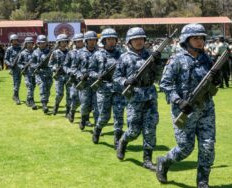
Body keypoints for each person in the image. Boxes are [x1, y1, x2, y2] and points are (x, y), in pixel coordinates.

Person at [157, 24, 220, 188]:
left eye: (202, 38)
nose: (200, 41)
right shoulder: (176, 59)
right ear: (186, 40)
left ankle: (202, 181)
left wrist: (217, 78)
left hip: (206, 109)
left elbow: (211, 84)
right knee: (185, 148)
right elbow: (164, 84)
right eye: (195, 38)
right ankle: (164, 161)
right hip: (185, 110)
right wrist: (178, 101)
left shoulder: (206, 58)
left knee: (208, 146)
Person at [115, 27, 161, 171]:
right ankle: (123, 141)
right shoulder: (124, 57)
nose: (139, 41)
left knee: (150, 129)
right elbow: (116, 77)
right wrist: (126, 82)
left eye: (141, 39)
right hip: (134, 96)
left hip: (150, 96)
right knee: (134, 131)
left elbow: (158, 75)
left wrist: (158, 62)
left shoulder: (150, 55)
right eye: (136, 39)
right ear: (130, 42)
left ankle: (147, 159)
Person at [88, 28, 124, 148]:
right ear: (104, 41)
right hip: (103, 89)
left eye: (113, 39)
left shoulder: (122, 54)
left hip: (118, 89)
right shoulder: (97, 54)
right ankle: (97, 129)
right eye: (109, 39)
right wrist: (97, 75)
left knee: (119, 116)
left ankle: (117, 140)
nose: (111, 41)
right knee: (104, 116)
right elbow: (90, 71)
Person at [72, 31, 99, 130]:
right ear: (86, 41)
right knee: (84, 104)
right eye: (90, 40)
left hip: (97, 83)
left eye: (94, 40)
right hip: (84, 83)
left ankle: (97, 127)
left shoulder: (100, 52)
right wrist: (79, 76)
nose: (92, 42)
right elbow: (74, 68)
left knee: (96, 106)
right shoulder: (79, 53)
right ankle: (83, 119)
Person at [30, 35, 53, 114]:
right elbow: (31, 64)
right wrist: (37, 66)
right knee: (42, 87)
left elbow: (53, 62)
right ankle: (44, 105)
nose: (42, 44)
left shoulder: (50, 52)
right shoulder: (35, 52)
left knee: (48, 89)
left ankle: (45, 101)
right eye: (41, 43)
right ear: (38, 43)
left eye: (44, 43)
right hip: (40, 74)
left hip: (49, 73)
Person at [49, 34, 70, 116]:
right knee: (59, 94)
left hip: (68, 76)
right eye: (62, 42)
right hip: (59, 76)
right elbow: (50, 64)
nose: (64, 43)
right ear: (59, 43)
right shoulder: (55, 52)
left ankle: (68, 110)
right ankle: (56, 105)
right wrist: (55, 68)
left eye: (65, 41)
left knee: (70, 94)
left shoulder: (70, 52)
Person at [65, 33, 84, 122]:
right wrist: (70, 72)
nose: (80, 43)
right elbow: (65, 66)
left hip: (86, 79)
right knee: (75, 98)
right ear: (75, 42)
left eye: (81, 41)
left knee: (85, 100)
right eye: (78, 41)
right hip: (75, 79)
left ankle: (85, 119)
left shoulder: (89, 52)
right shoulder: (71, 53)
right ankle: (72, 112)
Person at [17, 37, 37, 110]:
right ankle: (31, 101)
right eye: (28, 43)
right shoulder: (22, 53)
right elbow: (18, 63)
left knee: (33, 86)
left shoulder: (36, 52)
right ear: (25, 44)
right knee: (30, 86)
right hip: (27, 73)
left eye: (31, 43)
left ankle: (28, 100)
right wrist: (23, 67)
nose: (30, 44)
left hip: (34, 72)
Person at [5, 34, 22, 105]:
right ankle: (16, 97)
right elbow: (5, 59)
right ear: (11, 41)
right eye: (13, 40)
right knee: (16, 83)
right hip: (13, 69)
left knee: (18, 83)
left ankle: (15, 95)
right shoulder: (9, 49)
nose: (15, 42)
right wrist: (9, 64)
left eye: (16, 40)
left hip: (20, 68)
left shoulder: (21, 48)